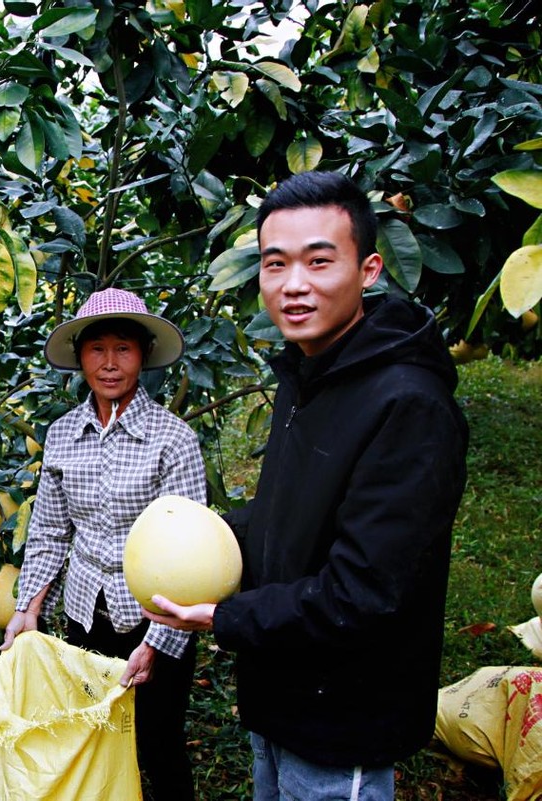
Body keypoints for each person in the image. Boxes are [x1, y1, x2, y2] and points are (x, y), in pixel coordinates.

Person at [144, 171, 469, 800]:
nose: (294, 285)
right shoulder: (309, 371)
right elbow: (290, 515)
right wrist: (199, 532)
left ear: (369, 269)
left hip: (341, 717)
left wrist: (225, 617)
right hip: (282, 692)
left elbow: (365, 593)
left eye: (320, 262)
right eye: (276, 264)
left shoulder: (409, 407)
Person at [0, 287, 207, 801]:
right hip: (85, 610)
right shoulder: (63, 434)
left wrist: (158, 644)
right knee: (96, 733)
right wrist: (28, 608)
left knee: (158, 743)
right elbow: (49, 530)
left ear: (142, 355)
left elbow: (190, 558)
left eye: (124, 349)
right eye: (97, 349)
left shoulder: (173, 439)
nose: (110, 364)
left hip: (154, 614)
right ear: (80, 358)